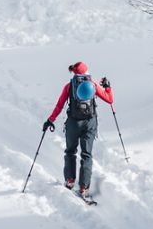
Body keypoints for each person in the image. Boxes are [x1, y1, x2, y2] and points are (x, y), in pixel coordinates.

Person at [43, 61, 113, 199]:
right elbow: (109, 100)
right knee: (86, 154)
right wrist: (108, 88)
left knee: (70, 151)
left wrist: (50, 120)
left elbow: (59, 106)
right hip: (90, 123)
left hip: (73, 123)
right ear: (86, 71)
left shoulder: (69, 86)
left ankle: (69, 181)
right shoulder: (92, 84)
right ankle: (83, 188)